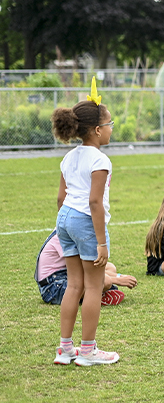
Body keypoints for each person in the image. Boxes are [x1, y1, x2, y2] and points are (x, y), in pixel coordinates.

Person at [50, 79, 120, 366]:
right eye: (110, 123)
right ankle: (88, 351)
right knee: (93, 287)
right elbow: (94, 203)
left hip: (64, 218)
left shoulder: (69, 157)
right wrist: (101, 241)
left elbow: (60, 198)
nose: (112, 127)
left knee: (73, 285)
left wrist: (63, 228)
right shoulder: (100, 160)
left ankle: (65, 349)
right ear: (97, 130)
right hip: (84, 220)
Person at [36, 230, 138, 307]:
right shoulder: (65, 236)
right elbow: (85, 268)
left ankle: (94, 294)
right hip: (52, 287)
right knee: (106, 281)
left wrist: (118, 276)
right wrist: (116, 280)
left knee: (109, 267)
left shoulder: (71, 231)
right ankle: (96, 296)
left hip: (66, 275)